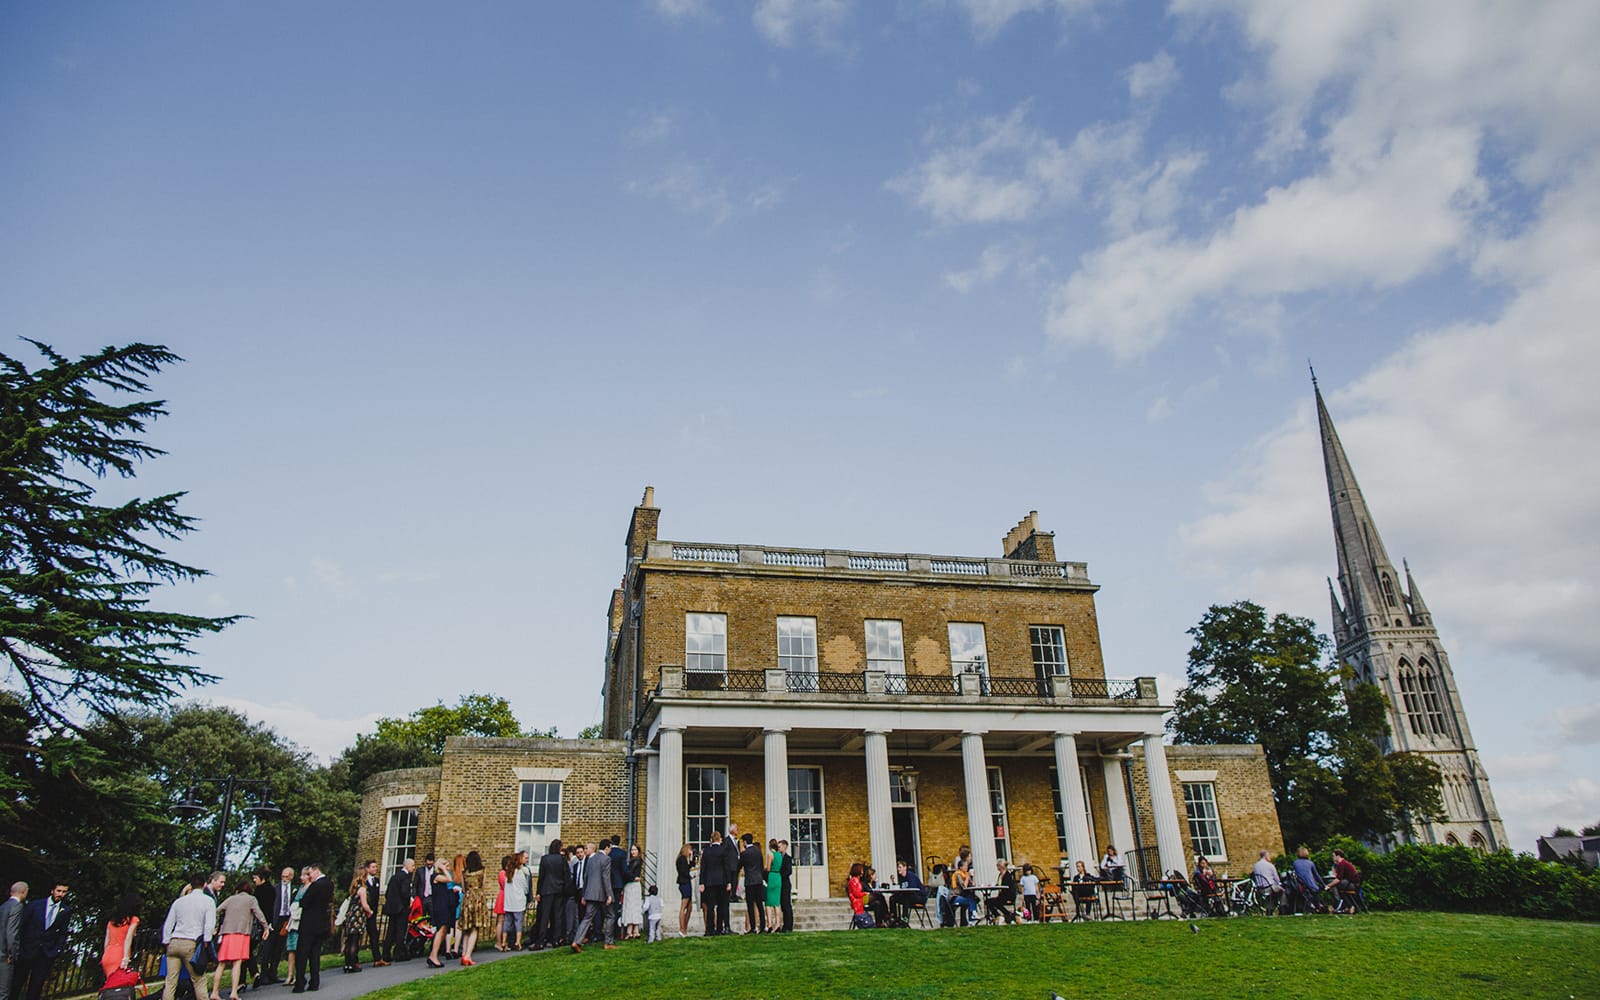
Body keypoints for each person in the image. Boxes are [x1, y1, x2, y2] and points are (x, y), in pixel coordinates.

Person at [161, 874, 217, 1000]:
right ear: (204, 885)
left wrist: (166, 941)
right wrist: (207, 941)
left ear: (190, 886)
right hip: (191, 942)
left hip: (174, 942)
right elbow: (209, 924)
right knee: (198, 979)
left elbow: (169, 923)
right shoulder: (208, 901)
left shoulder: (179, 902)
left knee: (170, 981)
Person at [13, 882, 70, 1000]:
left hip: (45, 954)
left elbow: (63, 933)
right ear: (52, 891)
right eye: (59, 891)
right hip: (27, 951)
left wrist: (56, 950)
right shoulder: (35, 905)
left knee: (36, 987)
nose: (60, 894)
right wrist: (19, 947)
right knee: (16, 983)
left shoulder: (65, 910)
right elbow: (22, 926)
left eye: (64, 892)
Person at [215, 880, 269, 999]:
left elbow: (217, 910)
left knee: (221, 963)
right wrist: (266, 927)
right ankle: (234, 992)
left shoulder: (231, 899)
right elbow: (259, 914)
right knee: (237, 963)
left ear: (237, 890)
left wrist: (217, 926)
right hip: (241, 933)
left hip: (227, 933)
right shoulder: (251, 899)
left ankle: (214, 992)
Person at [291, 863, 332, 995]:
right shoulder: (329, 883)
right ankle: (314, 981)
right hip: (321, 923)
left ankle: (300, 983)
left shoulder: (316, 886)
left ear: (316, 871)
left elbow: (304, 902)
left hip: (308, 924)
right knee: (315, 954)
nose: (309, 876)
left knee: (302, 955)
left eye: (310, 873)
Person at [570, 841, 614, 952]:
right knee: (610, 916)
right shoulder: (606, 859)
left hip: (589, 893)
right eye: (610, 848)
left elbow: (585, 877)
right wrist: (609, 894)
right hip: (602, 894)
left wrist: (584, 895)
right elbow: (606, 878)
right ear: (607, 848)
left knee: (587, 918)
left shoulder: (590, 859)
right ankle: (608, 943)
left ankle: (576, 941)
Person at [98, 892, 141, 994]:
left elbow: (107, 941)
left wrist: (105, 955)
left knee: (110, 984)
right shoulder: (133, 920)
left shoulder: (112, 921)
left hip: (108, 954)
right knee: (118, 987)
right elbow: (128, 939)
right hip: (120, 954)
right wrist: (126, 958)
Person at [260, 867, 294, 986]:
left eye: (287, 876)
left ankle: (273, 973)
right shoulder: (275, 889)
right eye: (283, 876)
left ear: (291, 877)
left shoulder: (294, 889)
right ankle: (263, 974)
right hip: (275, 919)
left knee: (279, 948)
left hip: (286, 920)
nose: (284, 879)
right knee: (267, 947)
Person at [455, 851, 489, 966]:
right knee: (475, 928)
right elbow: (483, 885)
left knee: (466, 928)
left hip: (467, 898)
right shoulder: (482, 871)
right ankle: (468, 955)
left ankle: (464, 954)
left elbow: (464, 889)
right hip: (478, 898)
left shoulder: (464, 873)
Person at [535, 839, 567, 951]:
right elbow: (565, 875)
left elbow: (541, 876)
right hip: (559, 889)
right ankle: (556, 940)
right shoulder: (562, 859)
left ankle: (541, 941)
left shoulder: (545, 859)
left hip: (546, 890)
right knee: (557, 916)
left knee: (545, 916)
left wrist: (538, 892)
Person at [426, 860, 457, 968]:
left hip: (444, 904)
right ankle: (433, 956)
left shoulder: (440, 876)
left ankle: (433, 955)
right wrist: (443, 869)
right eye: (445, 865)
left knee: (444, 929)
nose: (447, 868)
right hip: (439, 906)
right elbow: (449, 879)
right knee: (441, 929)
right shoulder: (436, 876)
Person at [699, 831, 730, 937]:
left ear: (711, 839)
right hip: (721, 881)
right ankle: (719, 928)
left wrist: (701, 882)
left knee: (710, 906)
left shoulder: (706, 851)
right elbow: (726, 867)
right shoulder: (723, 850)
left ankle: (709, 929)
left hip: (709, 882)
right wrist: (729, 881)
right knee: (721, 905)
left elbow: (703, 868)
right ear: (719, 838)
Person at [282, 869, 309, 988]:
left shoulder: (310, 889)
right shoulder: (298, 889)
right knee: (291, 949)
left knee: (300, 950)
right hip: (293, 921)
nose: (301, 877)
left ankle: (298, 975)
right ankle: (290, 974)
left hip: (301, 921)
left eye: (304, 875)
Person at [0, 882, 26, 1000]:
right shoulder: (17, 906)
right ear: (24, 892)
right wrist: (12, 953)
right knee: (3, 992)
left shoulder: (3, 906)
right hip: (5, 955)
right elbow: (12, 932)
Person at [737, 834, 766, 935]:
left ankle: (753, 927)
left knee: (750, 905)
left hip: (749, 881)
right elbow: (761, 866)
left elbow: (739, 866)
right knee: (759, 904)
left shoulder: (745, 853)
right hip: (758, 880)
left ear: (745, 842)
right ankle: (763, 926)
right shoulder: (758, 851)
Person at [502, 851, 530, 951]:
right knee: (518, 922)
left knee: (507, 923)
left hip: (509, 902)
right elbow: (525, 887)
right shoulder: (520, 872)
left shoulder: (508, 873)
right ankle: (518, 942)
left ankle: (504, 942)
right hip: (518, 901)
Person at [339, 876, 366, 973]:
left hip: (350, 917)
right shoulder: (362, 890)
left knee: (349, 941)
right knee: (354, 942)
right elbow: (364, 904)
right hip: (357, 918)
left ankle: (347, 964)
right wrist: (370, 911)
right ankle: (352, 964)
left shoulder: (352, 892)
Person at [359, 860, 383, 968]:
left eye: (376, 867)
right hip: (362, 912)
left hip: (372, 913)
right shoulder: (362, 881)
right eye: (373, 867)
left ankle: (377, 959)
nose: (375, 869)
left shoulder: (376, 880)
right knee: (357, 936)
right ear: (367, 869)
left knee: (374, 935)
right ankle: (352, 960)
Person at [621, 845, 644, 940]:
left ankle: (631, 931)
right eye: (631, 850)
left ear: (638, 851)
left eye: (635, 850)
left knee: (631, 906)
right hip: (633, 884)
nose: (633, 852)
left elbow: (628, 873)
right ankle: (635, 930)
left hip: (632, 885)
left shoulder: (636, 860)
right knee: (634, 906)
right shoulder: (634, 860)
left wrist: (631, 877)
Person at [1292, 847, 1326, 913]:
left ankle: (1312, 907)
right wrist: (1324, 885)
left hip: (1301, 885)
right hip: (1311, 886)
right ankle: (1319, 906)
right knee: (1316, 890)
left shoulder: (1295, 863)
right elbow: (1316, 875)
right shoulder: (1310, 863)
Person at [894, 860, 925, 926]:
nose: (898, 869)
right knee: (893, 898)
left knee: (906, 897)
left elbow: (912, 888)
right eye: (897, 867)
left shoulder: (911, 876)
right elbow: (901, 888)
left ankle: (905, 919)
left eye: (900, 867)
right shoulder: (901, 878)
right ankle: (894, 918)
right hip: (909, 896)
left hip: (919, 897)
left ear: (905, 867)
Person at [674, 844, 694, 938]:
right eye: (690, 850)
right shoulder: (681, 859)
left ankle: (685, 928)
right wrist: (690, 876)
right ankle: (682, 929)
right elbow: (683, 872)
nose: (691, 851)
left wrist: (691, 858)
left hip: (687, 883)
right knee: (684, 906)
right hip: (684, 883)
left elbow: (690, 866)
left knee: (690, 907)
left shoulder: (685, 859)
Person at [775, 839, 795, 933]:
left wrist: (779, 876)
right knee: (782, 906)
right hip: (778, 884)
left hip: (785, 884)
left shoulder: (788, 858)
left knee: (786, 905)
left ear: (785, 847)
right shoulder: (777, 857)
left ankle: (788, 926)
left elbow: (788, 871)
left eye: (779, 847)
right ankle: (782, 925)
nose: (778, 848)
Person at [764, 841, 782, 933]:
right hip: (778, 877)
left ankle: (770, 924)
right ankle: (778, 924)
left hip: (771, 877)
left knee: (768, 903)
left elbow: (768, 868)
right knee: (777, 903)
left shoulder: (770, 854)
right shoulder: (780, 855)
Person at [493, 855, 511, 951]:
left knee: (506, 922)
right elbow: (505, 884)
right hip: (503, 897)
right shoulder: (502, 873)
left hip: (507, 896)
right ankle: (498, 942)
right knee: (501, 920)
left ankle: (504, 942)